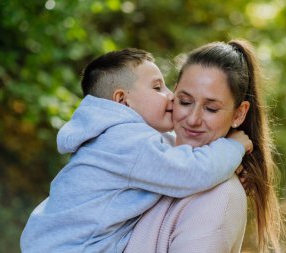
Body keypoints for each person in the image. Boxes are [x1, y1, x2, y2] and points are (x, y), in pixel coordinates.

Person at [20, 48, 253, 253]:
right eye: (158, 87)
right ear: (122, 100)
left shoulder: (110, 136)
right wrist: (232, 148)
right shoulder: (128, 142)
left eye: (211, 108)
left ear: (238, 113)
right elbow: (191, 170)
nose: (170, 96)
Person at [124, 39, 285, 253]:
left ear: (239, 114)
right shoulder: (153, 149)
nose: (193, 119)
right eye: (185, 102)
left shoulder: (219, 197)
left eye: (211, 108)